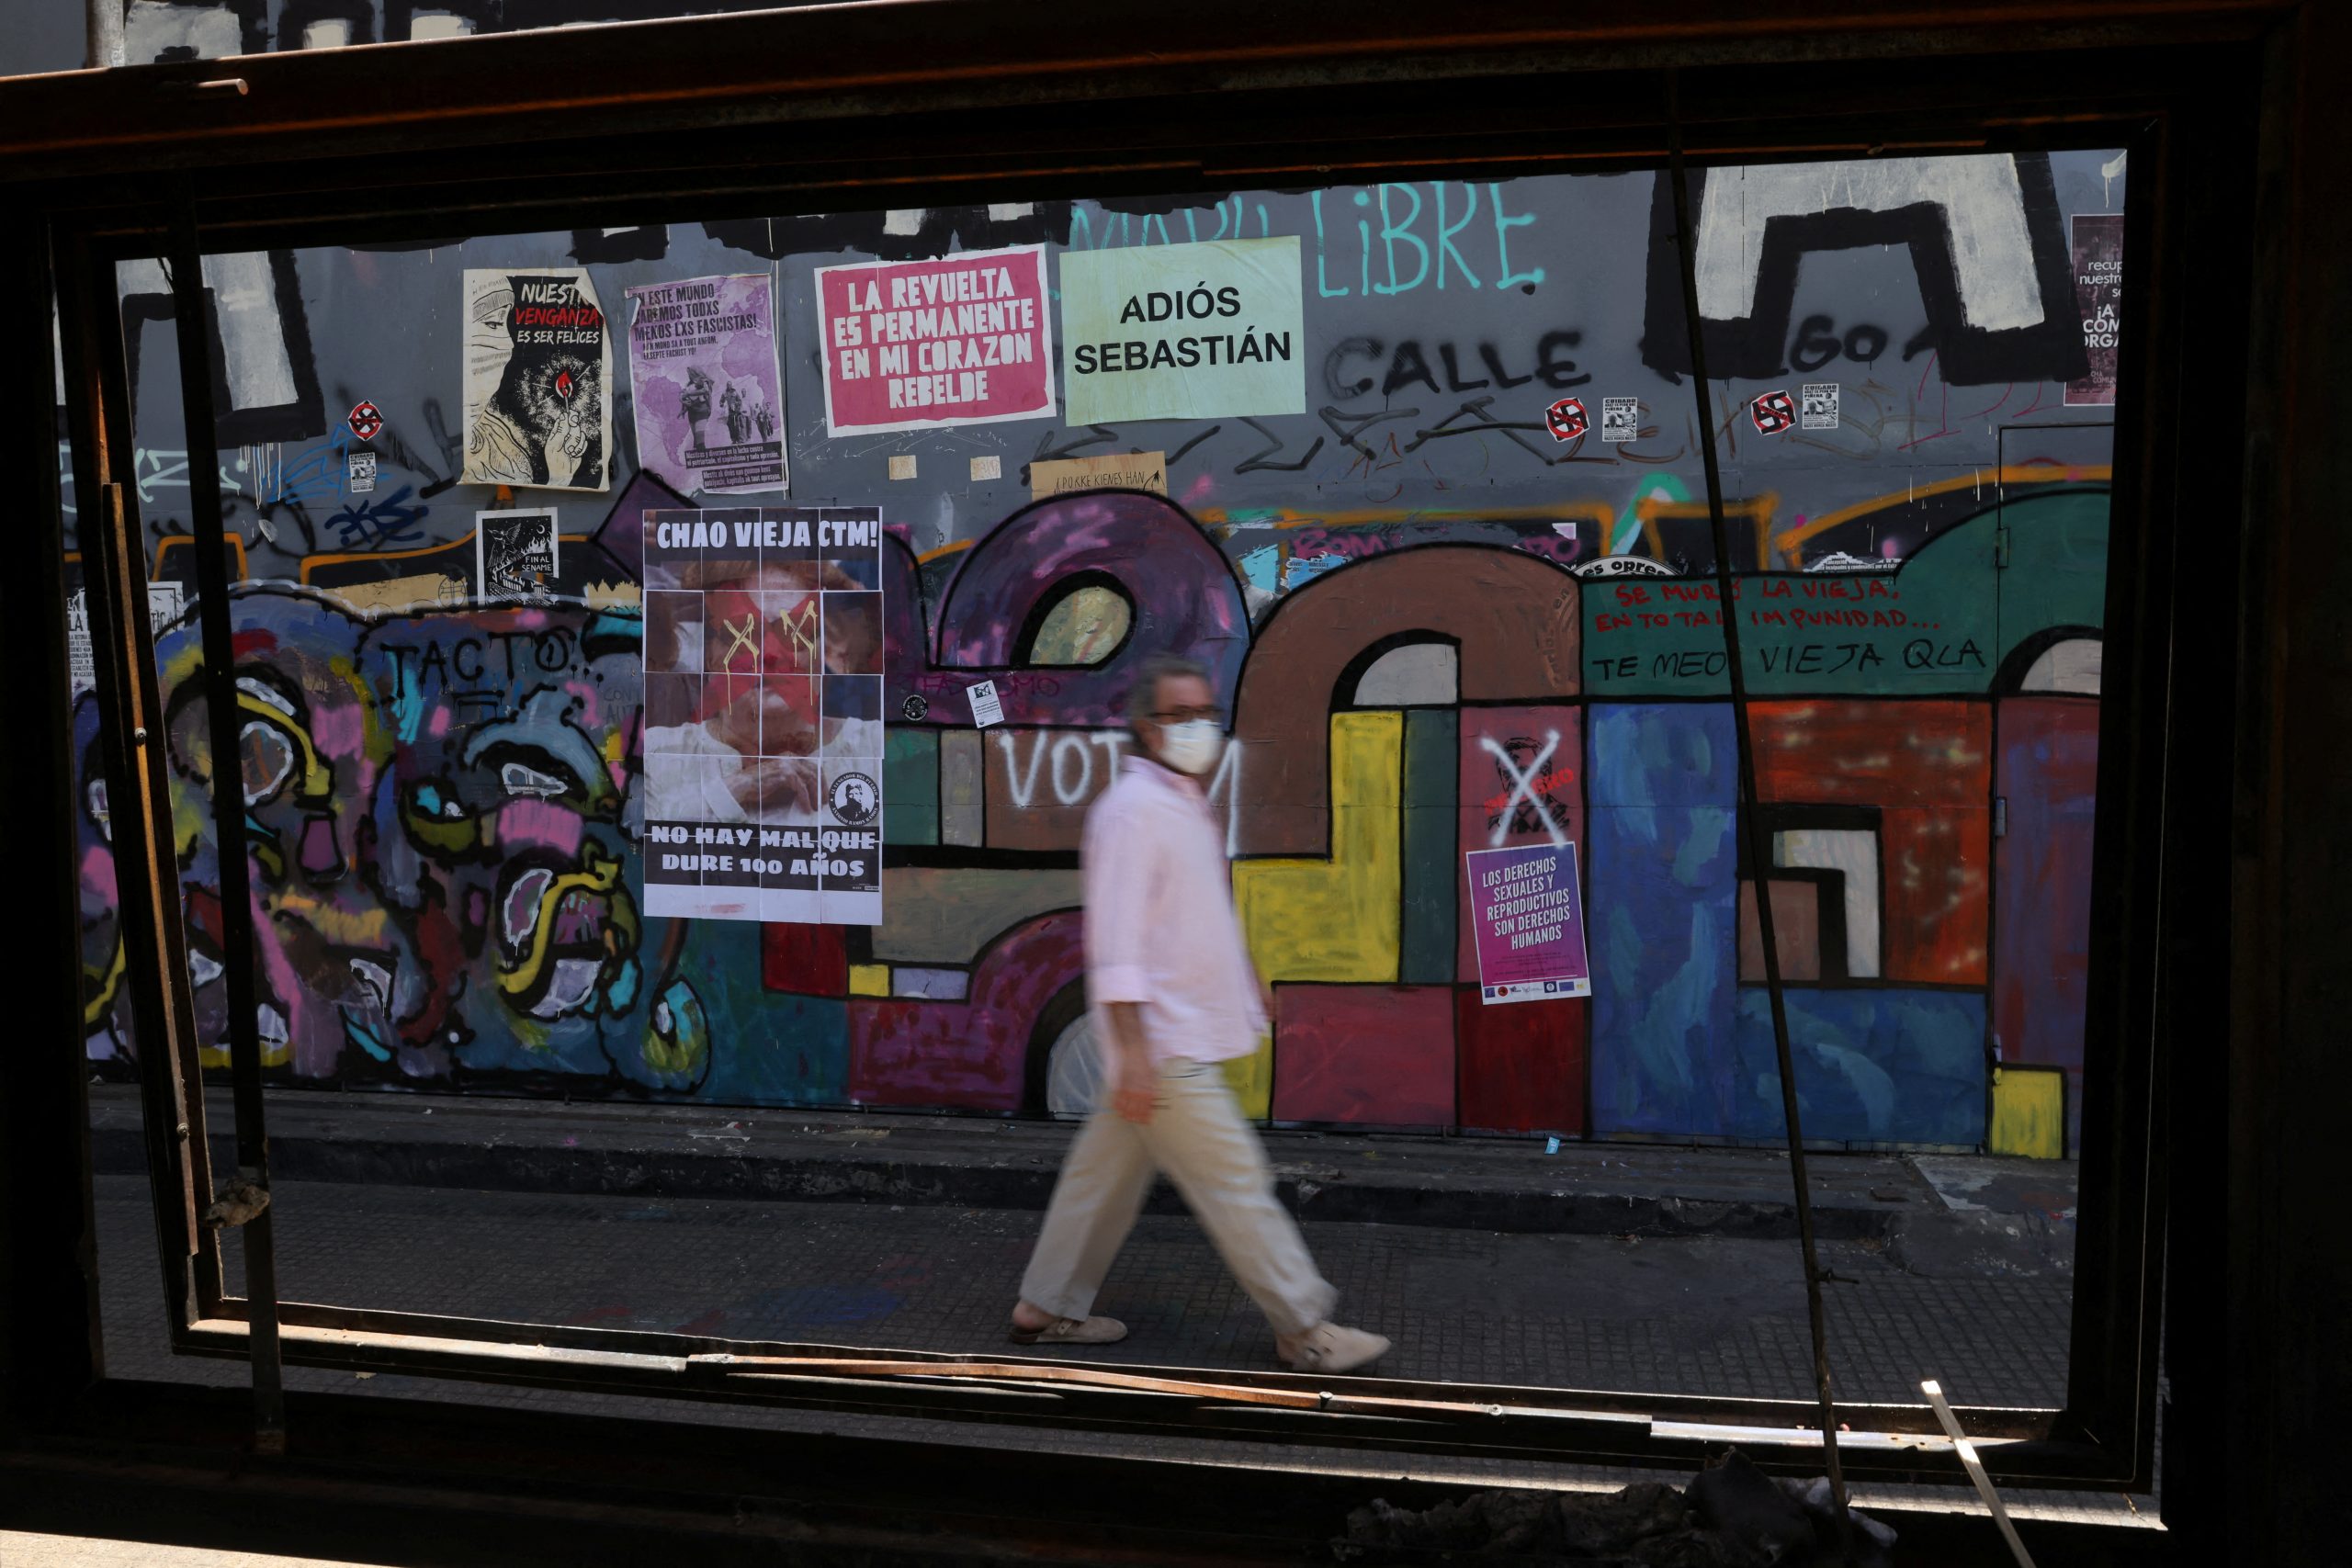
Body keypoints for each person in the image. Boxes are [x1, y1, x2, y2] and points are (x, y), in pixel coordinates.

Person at [1008, 653, 1391, 1375]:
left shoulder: (1181, 803)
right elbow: (1116, 943)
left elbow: (1190, 918)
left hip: (1165, 1038)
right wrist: (1133, 1048)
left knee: (1103, 1177)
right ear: (1148, 729)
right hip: (1161, 1042)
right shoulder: (1132, 813)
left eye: (1204, 712)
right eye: (1181, 714)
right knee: (1235, 1180)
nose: (1200, 726)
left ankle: (1045, 1305)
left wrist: (1245, 985)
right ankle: (1303, 1327)